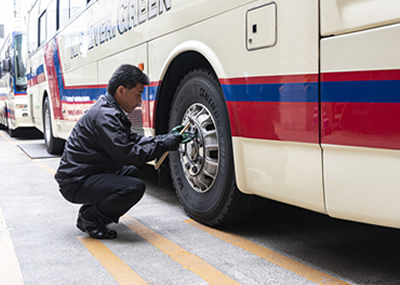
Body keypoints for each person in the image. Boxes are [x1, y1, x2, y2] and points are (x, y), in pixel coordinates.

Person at [55, 64, 184, 239]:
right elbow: (128, 154)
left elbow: (133, 140)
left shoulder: (110, 110)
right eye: (138, 93)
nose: (139, 101)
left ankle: (92, 212)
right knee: (134, 187)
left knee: (130, 173)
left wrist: (164, 138)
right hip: (75, 181)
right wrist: (164, 145)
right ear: (121, 90)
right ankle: (90, 218)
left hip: (87, 173)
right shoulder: (106, 116)